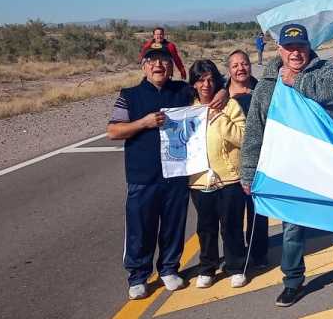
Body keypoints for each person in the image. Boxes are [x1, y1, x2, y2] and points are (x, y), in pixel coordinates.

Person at [240, 24, 333, 308]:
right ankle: (292, 283)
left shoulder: (325, 69)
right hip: (292, 170)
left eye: (301, 47)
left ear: (309, 48)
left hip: (332, 167)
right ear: (279, 50)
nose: (296, 53)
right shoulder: (267, 83)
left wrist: (298, 81)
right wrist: (248, 172)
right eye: (290, 48)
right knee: (293, 230)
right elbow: (255, 130)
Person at [107, 47, 194, 300]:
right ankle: (137, 276)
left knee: (173, 225)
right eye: (153, 61)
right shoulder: (130, 96)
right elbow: (113, 131)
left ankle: (169, 268)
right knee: (140, 228)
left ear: (171, 66)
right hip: (142, 175)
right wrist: (142, 123)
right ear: (144, 66)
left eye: (165, 61)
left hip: (176, 173)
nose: (159, 65)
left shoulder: (182, 91)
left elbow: (211, 90)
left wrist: (221, 91)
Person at [186, 59, 249, 289]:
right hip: (199, 180)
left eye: (211, 79)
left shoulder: (230, 106)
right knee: (206, 227)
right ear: (193, 84)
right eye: (201, 80)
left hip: (229, 178)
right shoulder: (187, 110)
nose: (206, 84)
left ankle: (235, 266)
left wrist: (219, 117)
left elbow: (243, 138)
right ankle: (207, 267)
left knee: (231, 225)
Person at [225, 49, 269, 268]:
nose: (240, 69)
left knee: (257, 211)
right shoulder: (220, 95)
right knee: (231, 214)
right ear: (228, 70)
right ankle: (235, 257)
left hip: (259, 161)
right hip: (229, 165)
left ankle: (259, 253)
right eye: (235, 65)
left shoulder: (262, 91)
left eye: (244, 64)